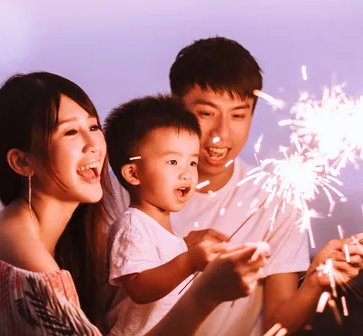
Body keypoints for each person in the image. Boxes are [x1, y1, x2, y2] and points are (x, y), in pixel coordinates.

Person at [0, 72, 267, 336]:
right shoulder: (31, 266)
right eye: (69, 133)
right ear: (22, 162)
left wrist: (181, 247)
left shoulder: (31, 234)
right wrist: (205, 293)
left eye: (93, 126)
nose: (93, 144)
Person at [169, 37, 363, 336]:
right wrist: (180, 252)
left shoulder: (277, 201)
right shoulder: (128, 187)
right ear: (173, 106)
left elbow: (276, 325)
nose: (220, 134)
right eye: (206, 113)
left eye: (238, 115)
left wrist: (314, 282)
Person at [104, 95, 265, 336]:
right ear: (133, 174)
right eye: (172, 161)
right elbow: (139, 288)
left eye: (192, 162)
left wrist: (187, 247)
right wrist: (190, 260)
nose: (187, 174)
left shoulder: (165, 231)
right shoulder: (132, 225)